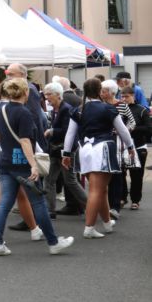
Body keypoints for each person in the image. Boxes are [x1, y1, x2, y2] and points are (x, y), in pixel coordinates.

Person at [0, 78, 74, 256]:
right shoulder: (24, 113)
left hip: (5, 161)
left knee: (4, 203)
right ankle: (53, 242)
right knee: (38, 203)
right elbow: (25, 141)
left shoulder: (0, 110)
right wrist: (33, 165)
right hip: (22, 163)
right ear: (26, 92)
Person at [62, 78, 134, 239]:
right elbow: (123, 130)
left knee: (101, 189)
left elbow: (70, 134)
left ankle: (107, 223)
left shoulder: (78, 110)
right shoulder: (108, 109)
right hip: (102, 149)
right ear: (99, 90)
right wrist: (130, 147)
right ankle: (89, 227)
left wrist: (66, 154)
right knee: (97, 189)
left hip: (84, 150)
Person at [42, 83, 88, 217]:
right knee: (49, 180)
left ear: (58, 95)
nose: (46, 97)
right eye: (46, 94)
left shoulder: (65, 109)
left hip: (66, 151)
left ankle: (92, 205)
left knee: (70, 181)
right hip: (56, 150)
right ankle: (49, 211)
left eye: (49, 94)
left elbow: (68, 131)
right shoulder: (57, 109)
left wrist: (51, 131)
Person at [101, 79, 134, 219]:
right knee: (103, 176)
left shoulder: (122, 106)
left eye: (103, 91)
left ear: (111, 92)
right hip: (102, 142)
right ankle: (105, 206)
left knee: (117, 175)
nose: (101, 93)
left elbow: (132, 122)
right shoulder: (100, 105)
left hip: (118, 144)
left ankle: (114, 207)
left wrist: (122, 131)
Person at [120, 86, 151, 210]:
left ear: (133, 96)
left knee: (136, 175)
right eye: (122, 96)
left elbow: (149, 129)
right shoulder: (119, 109)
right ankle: (122, 197)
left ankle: (135, 200)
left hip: (138, 147)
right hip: (122, 147)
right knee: (121, 174)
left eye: (126, 96)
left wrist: (130, 129)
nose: (124, 99)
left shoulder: (142, 110)